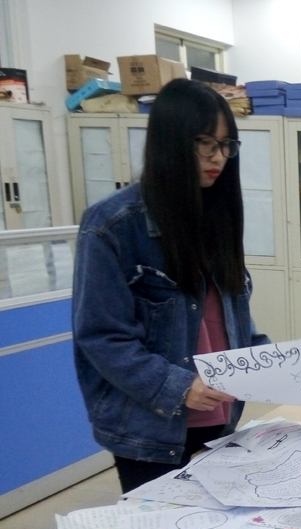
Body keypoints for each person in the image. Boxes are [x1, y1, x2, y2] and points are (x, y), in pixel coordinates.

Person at [73, 78, 269, 494]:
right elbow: (102, 337)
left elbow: (230, 317)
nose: (218, 158)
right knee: (161, 527)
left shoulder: (217, 215)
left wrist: (270, 362)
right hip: (152, 424)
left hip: (219, 414)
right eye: (205, 144)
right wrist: (178, 387)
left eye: (226, 145)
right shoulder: (113, 225)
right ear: (171, 142)